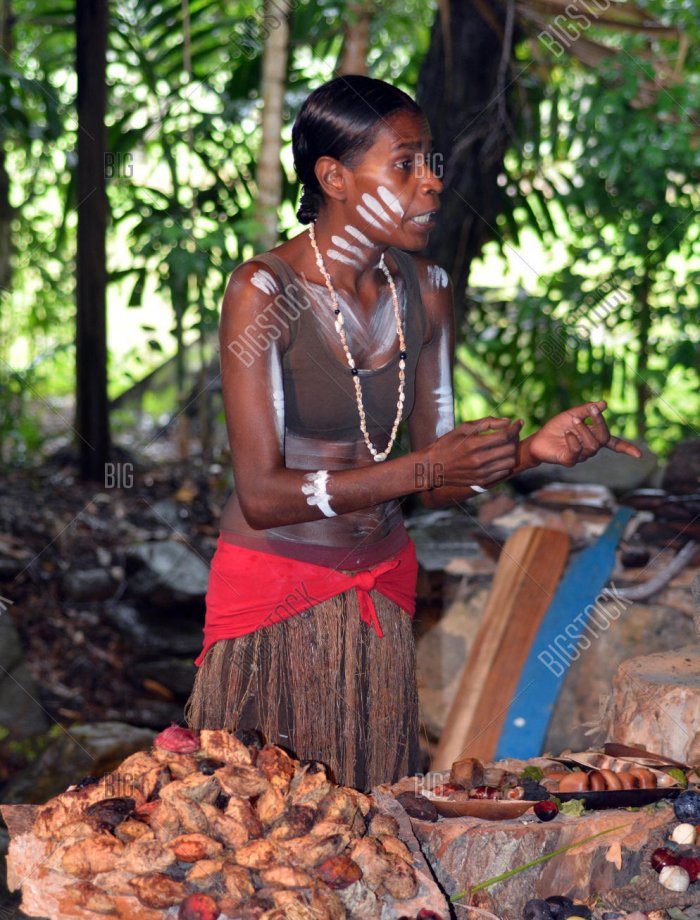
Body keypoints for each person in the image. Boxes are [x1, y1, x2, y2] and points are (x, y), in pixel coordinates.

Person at [184, 74, 641, 791]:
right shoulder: (264, 291)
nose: (431, 184)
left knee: (366, 818)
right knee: (262, 819)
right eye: (404, 164)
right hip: (276, 595)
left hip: (383, 590)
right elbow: (265, 496)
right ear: (334, 176)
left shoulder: (426, 288)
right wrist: (425, 469)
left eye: (431, 162)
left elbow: (440, 481)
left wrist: (531, 452)